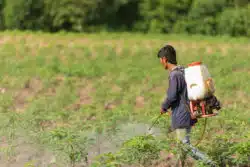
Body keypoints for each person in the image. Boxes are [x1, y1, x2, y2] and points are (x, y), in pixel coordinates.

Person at [157, 44, 217, 167]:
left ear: (164, 59)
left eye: (160, 60)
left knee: (185, 146)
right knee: (181, 147)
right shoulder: (183, 71)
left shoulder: (175, 75)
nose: (161, 63)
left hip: (181, 115)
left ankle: (211, 164)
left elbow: (172, 96)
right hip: (188, 113)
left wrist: (163, 107)